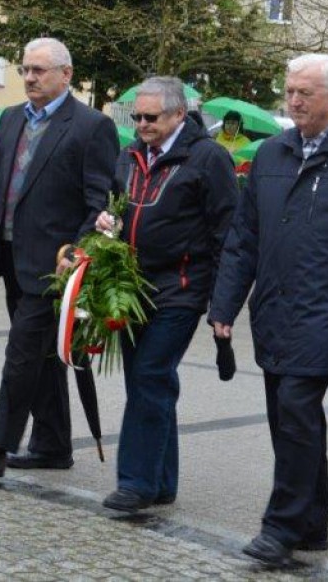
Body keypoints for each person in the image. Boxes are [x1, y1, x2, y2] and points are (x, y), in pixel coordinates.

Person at [208, 53, 328, 566]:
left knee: (295, 411)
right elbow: (243, 238)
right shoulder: (271, 154)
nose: (293, 101)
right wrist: (225, 304)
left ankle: (281, 527)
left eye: (305, 93)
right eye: (289, 91)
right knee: (288, 417)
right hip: (274, 308)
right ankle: (311, 524)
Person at [0, 37, 118, 477]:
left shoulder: (90, 127)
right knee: (43, 358)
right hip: (11, 258)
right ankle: (51, 445)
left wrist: (79, 253)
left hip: (56, 268)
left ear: (66, 75)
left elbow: (97, 202)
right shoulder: (10, 119)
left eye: (40, 70)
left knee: (22, 354)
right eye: (25, 69)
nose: (29, 77)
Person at [95, 77, 237, 514]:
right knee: (149, 383)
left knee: (151, 378)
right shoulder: (129, 154)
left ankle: (135, 483)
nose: (141, 124)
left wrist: (222, 304)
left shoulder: (208, 158)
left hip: (180, 290)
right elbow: (113, 203)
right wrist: (103, 221)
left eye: (151, 117)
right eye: (136, 116)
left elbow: (229, 232)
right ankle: (161, 482)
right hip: (130, 288)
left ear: (178, 114)